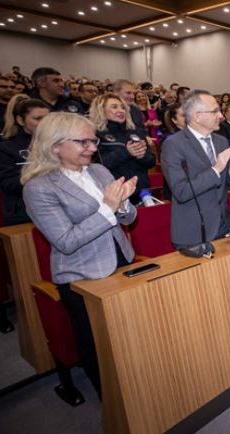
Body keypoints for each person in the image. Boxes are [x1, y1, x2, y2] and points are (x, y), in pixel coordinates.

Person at [22, 112, 139, 398]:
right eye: (83, 141)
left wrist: (123, 205)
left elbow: (128, 217)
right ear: (55, 145)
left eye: (93, 140)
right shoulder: (39, 188)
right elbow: (66, 241)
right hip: (82, 276)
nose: (93, 147)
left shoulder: (99, 172)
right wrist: (108, 208)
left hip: (121, 262)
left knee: (132, 337)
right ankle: (113, 404)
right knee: (98, 345)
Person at [161, 90, 230, 248]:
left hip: (223, 227)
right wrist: (216, 169)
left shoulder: (221, 141)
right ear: (197, 116)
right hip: (194, 232)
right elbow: (181, 191)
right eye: (215, 111)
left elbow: (229, 185)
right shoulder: (174, 145)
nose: (221, 116)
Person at [0, 98, 51, 225]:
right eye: (38, 119)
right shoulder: (5, 148)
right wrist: (43, 173)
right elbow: (8, 184)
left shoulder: (59, 144)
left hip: (59, 208)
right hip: (23, 213)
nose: (44, 124)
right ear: (20, 120)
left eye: (47, 119)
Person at [89, 93, 156, 203]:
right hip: (113, 195)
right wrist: (126, 152)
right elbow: (97, 165)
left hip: (142, 192)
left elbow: (151, 162)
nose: (121, 110)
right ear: (101, 110)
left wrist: (142, 156)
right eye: (114, 107)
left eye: (122, 107)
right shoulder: (94, 134)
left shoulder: (137, 132)